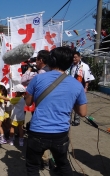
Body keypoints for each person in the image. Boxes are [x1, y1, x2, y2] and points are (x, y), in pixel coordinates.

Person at [25, 47, 87, 175]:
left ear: (51, 60)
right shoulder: (76, 84)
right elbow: (82, 112)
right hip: (60, 133)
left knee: (32, 166)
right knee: (63, 165)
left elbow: (28, 102)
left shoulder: (37, 79)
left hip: (38, 131)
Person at [67, 51, 94, 126]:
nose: (74, 59)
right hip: (70, 87)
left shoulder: (84, 66)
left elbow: (87, 78)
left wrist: (86, 87)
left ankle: (76, 121)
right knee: (70, 104)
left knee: (78, 104)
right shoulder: (70, 65)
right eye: (73, 57)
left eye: (75, 57)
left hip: (79, 87)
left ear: (79, 57)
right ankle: (68, 120)